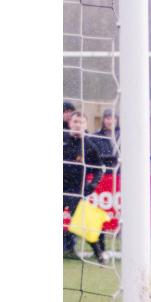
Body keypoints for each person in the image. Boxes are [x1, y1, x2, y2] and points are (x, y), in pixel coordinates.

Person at [63, 111, 109, 264]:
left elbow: (100, 168)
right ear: (70, 124)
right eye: (75, 122)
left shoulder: (89, 145)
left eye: (81, 122)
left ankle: (100, 254)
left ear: (86, 125)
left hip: (76, 191)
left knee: (85, 225)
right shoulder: (61, 139)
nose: (78, 125)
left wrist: (93, 184)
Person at [93, 108, 120, 253]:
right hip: (103, 181)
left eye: (113, 118)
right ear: (103, 120)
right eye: (108, 118)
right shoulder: (96, 137)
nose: (110, 121)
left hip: (121, 180)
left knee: (120, 213)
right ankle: (101, 248)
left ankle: (123, 247)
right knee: (101, 213)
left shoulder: (123, 135)